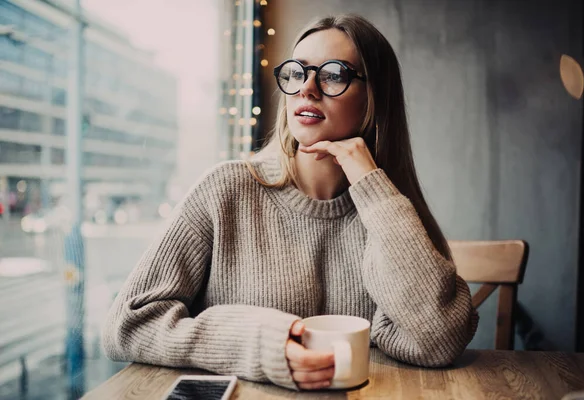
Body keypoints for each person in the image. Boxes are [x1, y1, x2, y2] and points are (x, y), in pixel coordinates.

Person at [102, 14, 478, 391]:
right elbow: (127, 325)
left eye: (333, 74)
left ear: (374, 98)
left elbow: (439, 339)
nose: (307, 89)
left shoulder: (386, 211)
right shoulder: (226, 190)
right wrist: (262, 344)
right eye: (297, 72)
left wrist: (372, 186)